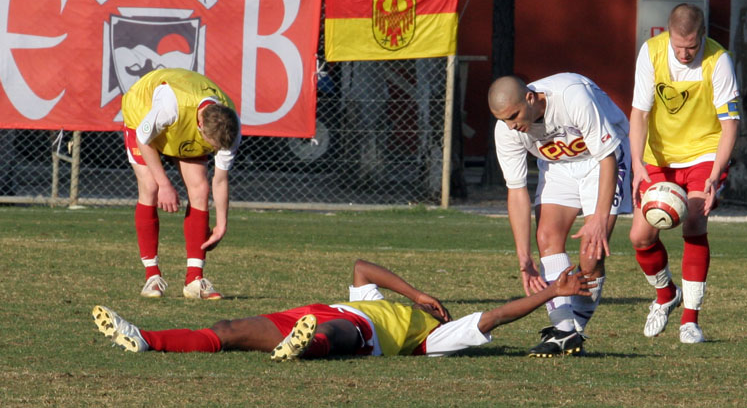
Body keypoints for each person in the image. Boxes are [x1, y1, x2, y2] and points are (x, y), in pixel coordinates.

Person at [91, 259, 596, 359]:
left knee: (344, 337)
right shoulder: (391, 304)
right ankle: (145, 339)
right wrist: (415, 293)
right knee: (227, 327)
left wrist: (552, 291)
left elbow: (496, 316)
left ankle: (305, 346)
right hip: (307, 314)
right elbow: (361, 268)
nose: (444, 312)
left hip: (351, 333)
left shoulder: (434, 339)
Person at [487, 73, 631, 357]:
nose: (511, 126)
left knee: (591, 257)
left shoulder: (572, 96)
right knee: (546, 237)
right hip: (558, 166)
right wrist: (523, 256)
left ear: (530, 97)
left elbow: (607, 157)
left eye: (514, 116)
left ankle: (574, 327)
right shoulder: (506, 130)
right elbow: (516, 191)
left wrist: (599, 220)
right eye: (503, 120)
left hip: (602, 159)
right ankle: (565, 332)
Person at [629, 3, 740, 344]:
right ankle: (666, 295)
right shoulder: (651, 53)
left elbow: (730, 124)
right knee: (640, 237)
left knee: (694, 222)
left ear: (702, 35)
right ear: (669, 34)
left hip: (703, 153)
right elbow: (639, 114)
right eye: (678, 46)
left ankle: (690, 321)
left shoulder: (719, 60)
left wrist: (715, 173)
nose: (683, 53)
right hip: (659, 156)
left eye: (691, 47)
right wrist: (637, 165)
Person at [121, 68, 241, 300]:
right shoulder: (170, 106)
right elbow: (144, 140)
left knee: (200, 189)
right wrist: (164, 184)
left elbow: (220, 179)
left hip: (181, 127)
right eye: (210, 145)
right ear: (200, 126)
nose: (213, 150)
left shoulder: (230, 126)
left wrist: (221, 225)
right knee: (150, 187)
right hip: (142, 117)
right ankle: (152, 277)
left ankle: (194, 280)